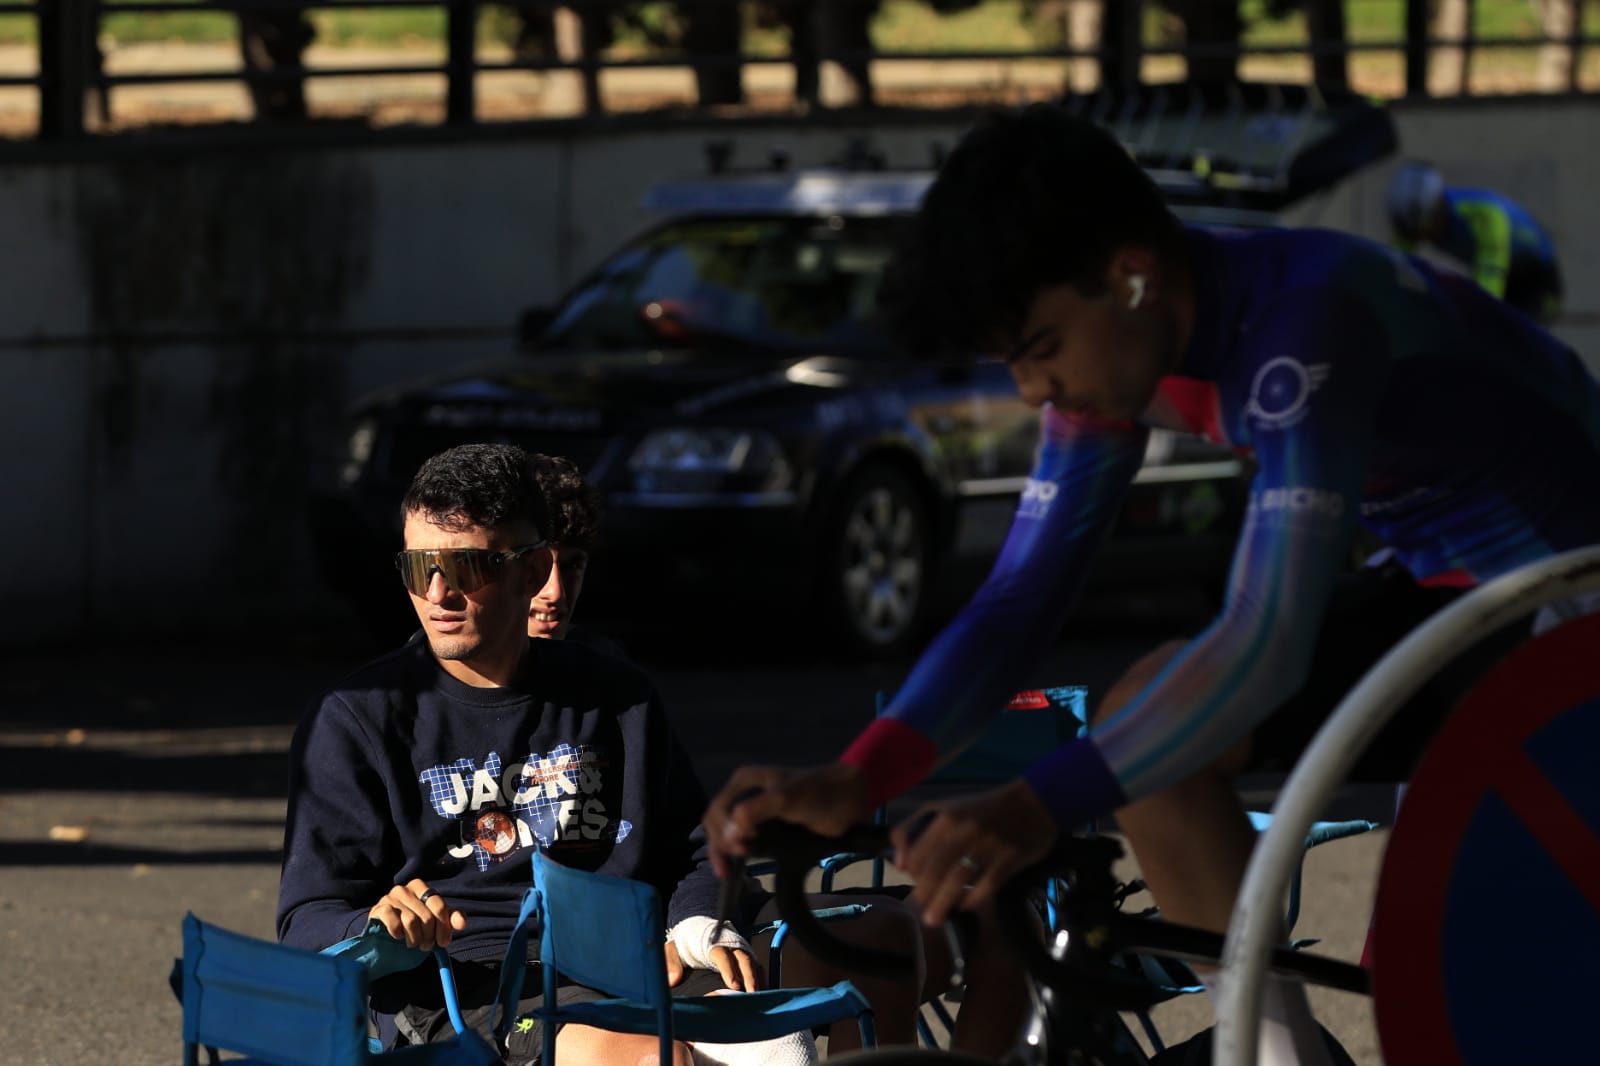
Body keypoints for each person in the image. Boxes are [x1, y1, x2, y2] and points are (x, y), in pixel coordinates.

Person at [704, 104, 1600, 1065]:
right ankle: (1274, 1053)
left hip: (1570, 602)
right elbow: (1018, 603)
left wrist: (1037, 801)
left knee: (1445, 987)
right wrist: (862, 772)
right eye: (1011, 360)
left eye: (1040, 346)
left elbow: (1268, 637)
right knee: (1151, 716)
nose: (1030, 391)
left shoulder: (1308, 317)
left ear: (1131, 273)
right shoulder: (1130, 348)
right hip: (1463, 599)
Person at [278, 442, 929, 1063]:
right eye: (420, 568)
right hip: (476, 986)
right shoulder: (357, 718)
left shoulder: (614, 693)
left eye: (469, 567)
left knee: (830, 986)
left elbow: (695, 849)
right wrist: (375, 921)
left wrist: (697, 924)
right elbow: (307, 917)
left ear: (533, 570)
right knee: (655, 1058)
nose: (439, 594)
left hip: (638, 961)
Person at [1386, 159, 1564, 324]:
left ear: (1436, 208)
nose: (1420, 239)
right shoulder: (1416, 225)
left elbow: (1488, 286)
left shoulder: (1485, 216)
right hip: (1502, 278)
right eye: (1411, 233)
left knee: (1508, 336)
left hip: (1537, 282)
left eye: (1420, 231)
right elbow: (1397, 269)